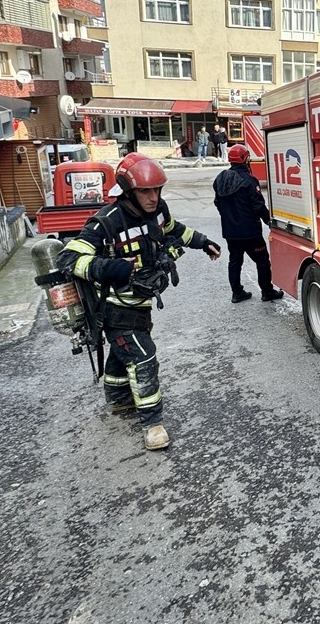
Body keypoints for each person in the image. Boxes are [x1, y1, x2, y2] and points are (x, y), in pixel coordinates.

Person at [58, 153, 221, 450]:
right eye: (146, 191)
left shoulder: (158, 211)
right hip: (114, 306)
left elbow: (174, 229)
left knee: (125, 351)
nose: (153, 197)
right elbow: (68, 259)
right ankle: (152, 423)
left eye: (157, 190)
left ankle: (118, 398)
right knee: (143, 356)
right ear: (128, 191)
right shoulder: (106, 222)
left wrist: (202, 242)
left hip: (141, 301)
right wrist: (112, 268)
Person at [214, 144, 283, 304]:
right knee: (262, 260)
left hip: (230, 232)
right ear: (245, 159)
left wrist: (229, 219)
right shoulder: (249, 181)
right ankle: (267, 291)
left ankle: (237, 293)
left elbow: (218, 203)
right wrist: (270, 223)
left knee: (235, 261)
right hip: (250, 231)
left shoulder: (220, 179)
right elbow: (258, 206)